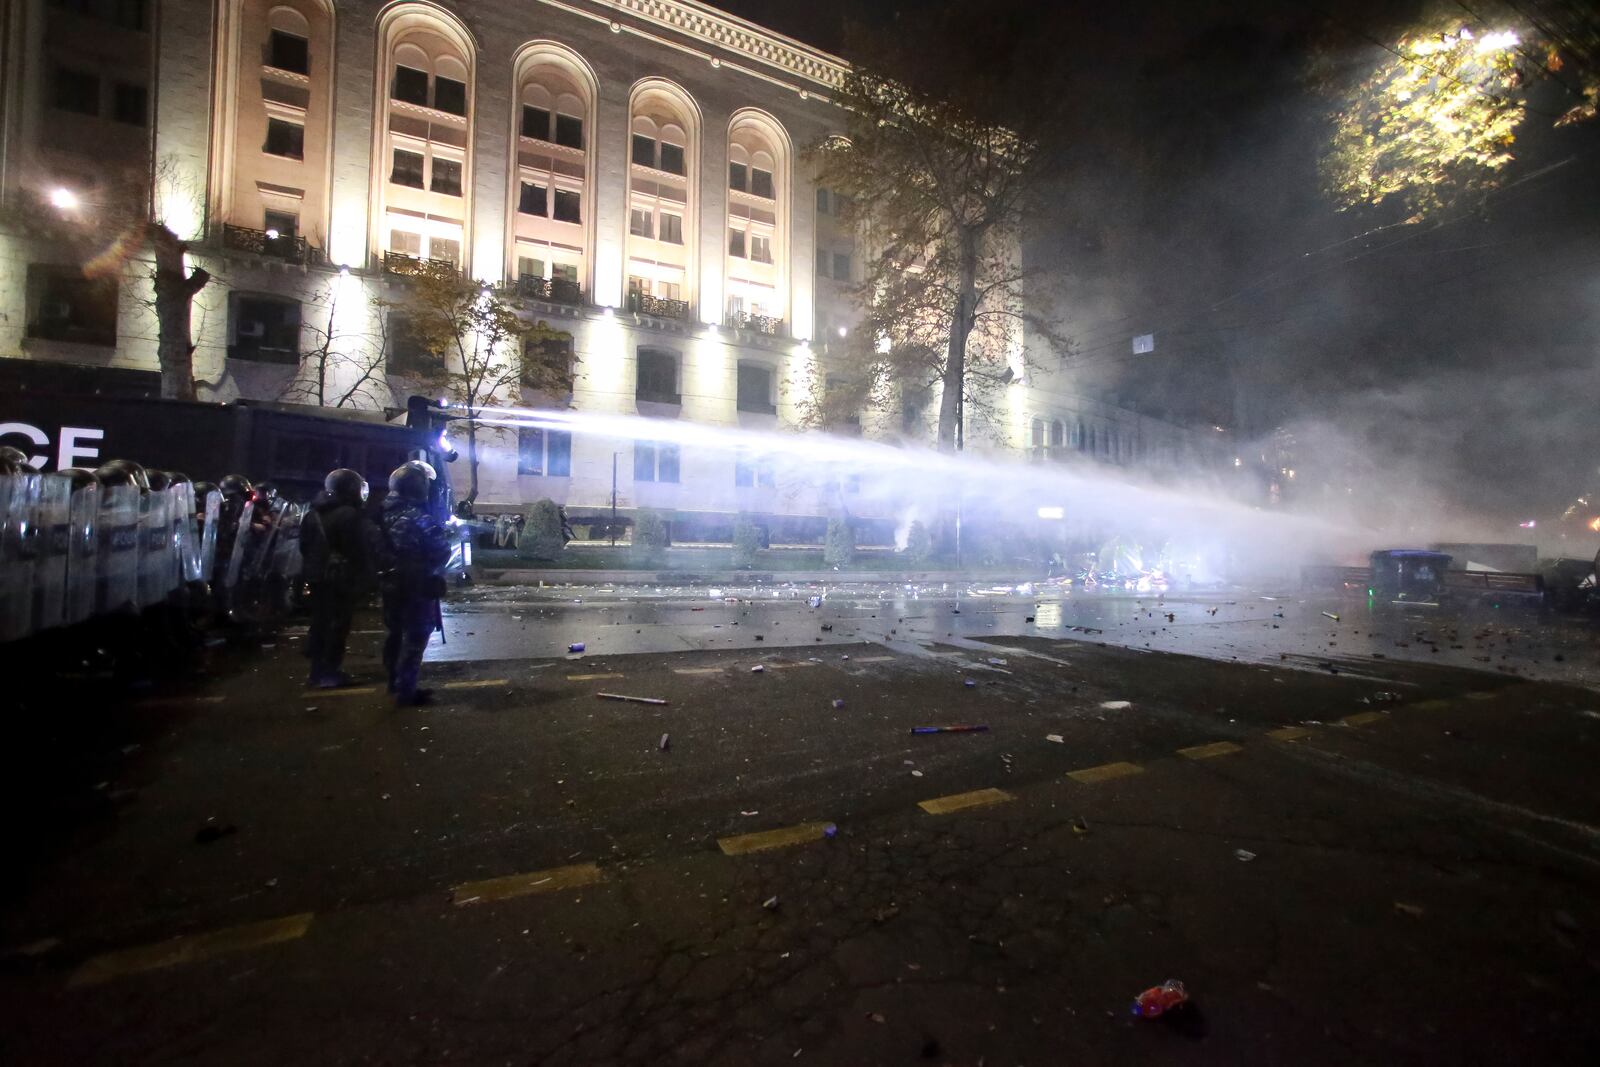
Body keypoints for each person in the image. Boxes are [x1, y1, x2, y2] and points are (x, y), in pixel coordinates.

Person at [378, 460, 452, 706]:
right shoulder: (419, 517)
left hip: (389, 584)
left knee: (395, 634)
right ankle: (406, 690)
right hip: (417, 585)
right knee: (415, 638)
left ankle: (393, 681)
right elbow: (441, 550)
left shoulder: (382, 513)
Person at [300, 468, 379, 688]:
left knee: (320, 624)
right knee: (337, 626)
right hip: (340, 579)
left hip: (317, 577)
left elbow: (304, 546)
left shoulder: (312, 513)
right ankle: (329, 673)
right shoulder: (349, 515)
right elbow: (358, 550)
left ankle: (317, 671)